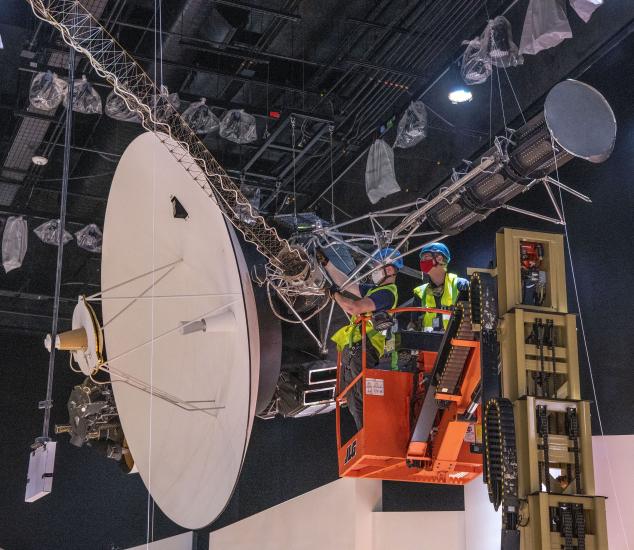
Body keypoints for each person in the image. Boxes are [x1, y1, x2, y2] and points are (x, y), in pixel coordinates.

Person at [321, 248, 403, 430]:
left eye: (376, 266)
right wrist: (327, 264)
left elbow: (353, 307)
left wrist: (335, 295)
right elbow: (345, 283)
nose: (373, 270)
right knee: (354, 403)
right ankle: (366, 437)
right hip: (355, 352)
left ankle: (371, 436)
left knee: (362, 401)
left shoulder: (386, 294)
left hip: (365, 351)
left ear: (389, 270)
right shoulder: (376, 290)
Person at [410, 243, 469, 332]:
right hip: (429, 344)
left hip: (454, 344)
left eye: (426, 257)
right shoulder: (420, 293)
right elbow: (413, 325)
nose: (422, 261)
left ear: (439, 258)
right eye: (422, 258)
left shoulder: (460, 285)